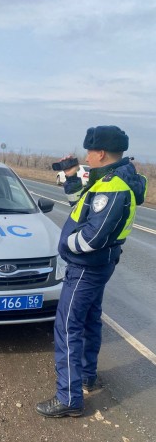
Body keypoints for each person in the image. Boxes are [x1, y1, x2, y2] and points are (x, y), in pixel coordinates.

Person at [36, 125, 148, 418]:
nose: (86, 155)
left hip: (86, 267)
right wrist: (72, 177)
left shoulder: (112, 187)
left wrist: (66, 245)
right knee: (88, 320)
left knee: (67, 327)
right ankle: (86, 376)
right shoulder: (110, 180)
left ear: (100, 153)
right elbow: (82, 206)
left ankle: (70, 398)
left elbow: (93, 237)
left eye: (89, 151)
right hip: (98, 266)